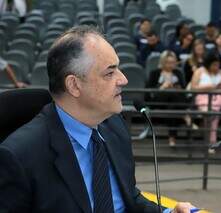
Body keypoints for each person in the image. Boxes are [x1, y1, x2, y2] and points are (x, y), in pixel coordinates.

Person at [0, 25, 195, 213]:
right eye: (110, 73)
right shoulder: (19, 156)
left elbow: (128, 200)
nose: (123, 79)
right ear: (74, 86)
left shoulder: (115, 126)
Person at [191, 54, 221, 153]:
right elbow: (193, 88)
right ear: (208, 64)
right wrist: (208, 87)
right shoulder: (199, 71)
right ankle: (212, 142)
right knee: (213, 116)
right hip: (203, 97)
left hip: (218, 98)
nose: (216, 67)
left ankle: (210, 111)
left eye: (218, 65)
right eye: (214, 65)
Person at [146, 50, 186, 147]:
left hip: (173, 104)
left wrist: (175, 88)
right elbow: (148, 92)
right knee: (170, 95)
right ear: (163, 62)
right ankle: (185, 115)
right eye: (168, 62)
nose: (170, 65)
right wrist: (162, 87)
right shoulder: (155, 73)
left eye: (172, 62)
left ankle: (172, 138)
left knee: (172, 106)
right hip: (158, 101)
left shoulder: (178, 73)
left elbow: (183, 90)